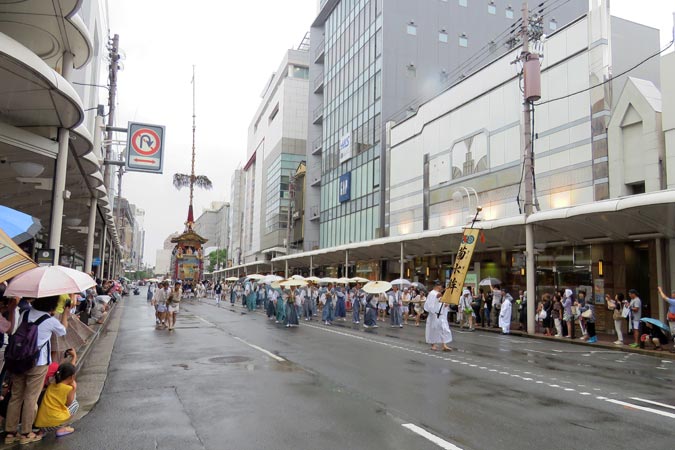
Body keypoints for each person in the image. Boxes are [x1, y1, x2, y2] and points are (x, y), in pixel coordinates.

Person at [5, 295, 68, 445]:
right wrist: (65, 312)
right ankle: (26, 433)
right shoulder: (50, 320)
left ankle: (10, 433)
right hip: (38, 363)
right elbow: (63, 331)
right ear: (52, 305)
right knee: (31, 397)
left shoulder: (24, 313)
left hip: (19, 360)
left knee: (16, 396)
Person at [34, 362, 78, 437]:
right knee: (75, 404)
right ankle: (61, 428)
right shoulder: (69, 388)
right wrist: (74, 388)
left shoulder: (51, 385)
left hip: (41, 424)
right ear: (72, 377)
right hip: (54, 424)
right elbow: (68, 404)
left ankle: (42, 432)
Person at [424, 281, 452, 351]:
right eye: (440, 286)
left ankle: (444, 345)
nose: (441, 287)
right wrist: (445, 291)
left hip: (441, 314)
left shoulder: (439, 294)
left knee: (443, 329)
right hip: (434, 314)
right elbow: (437, 297)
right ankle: (433, 344)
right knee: (433, 329)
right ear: (437, 286)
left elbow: (442, 301)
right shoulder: (432, 293)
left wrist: (445, 305)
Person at [657, 286, 675, 352]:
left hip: (673, 320)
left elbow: (664, 297)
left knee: (674, 333)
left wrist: (660, 290)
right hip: (672, 320)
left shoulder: (673, 301)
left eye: (673, 293)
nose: (672, 295)